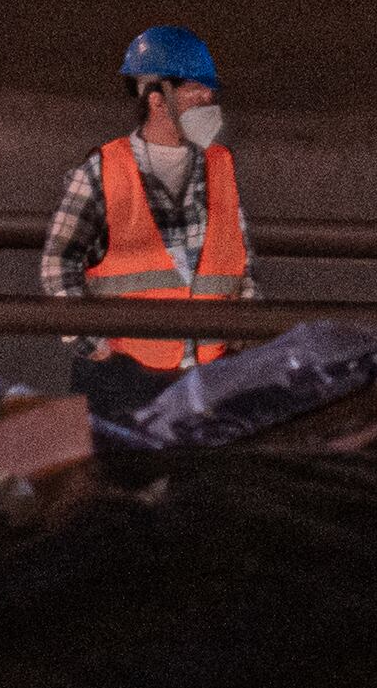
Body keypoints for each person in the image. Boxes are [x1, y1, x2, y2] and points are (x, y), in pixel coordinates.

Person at [37, 24, 254, 423]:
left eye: (211, 91)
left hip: (207, 378)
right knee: (121, 482)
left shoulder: (220, 165)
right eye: (196, 91)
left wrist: (242, 333)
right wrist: (94, 345)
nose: (210, 101)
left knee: (199, 483)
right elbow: (58, 265)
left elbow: (239, 263)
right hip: (123, 379)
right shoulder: (102, 171)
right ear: (157, 99)